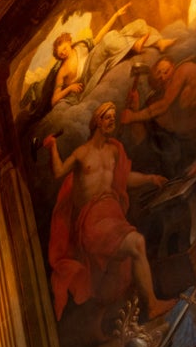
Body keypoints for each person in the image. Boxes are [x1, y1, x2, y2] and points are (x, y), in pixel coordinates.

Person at [45, 101, 174, 323]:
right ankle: (152, 305)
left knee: (113, 279)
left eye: (114, 117)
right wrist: (52, 147)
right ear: (97, 121)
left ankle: (101, 325)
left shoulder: (115, 150)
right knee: (137, 243)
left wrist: (149, 179)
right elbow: (58, 172)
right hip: (93, 220)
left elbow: (124, 178)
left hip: (113, 215)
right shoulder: (82, 153)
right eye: (107, 117)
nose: (111, 120)